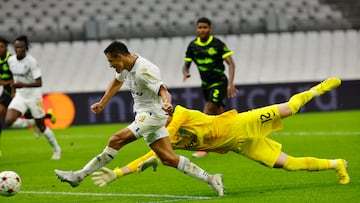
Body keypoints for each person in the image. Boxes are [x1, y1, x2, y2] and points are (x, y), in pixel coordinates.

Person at [90, 77, 350, 190]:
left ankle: (320, 88)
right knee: (288, 165)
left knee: (290, 108)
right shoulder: (169, 138)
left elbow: (159, 145)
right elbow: (152, 156)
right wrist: (117, 173)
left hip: (242, 124)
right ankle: (337, 164)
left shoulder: (179, 114)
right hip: (239, 145)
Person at [54, 41, 225, 196]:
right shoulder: (126, 67)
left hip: (152, 115)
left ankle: (79, 175)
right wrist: (102, 102)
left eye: (110, 61)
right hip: (146, 115)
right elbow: (116, 82)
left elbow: (164, 91)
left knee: (116, 140)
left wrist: (166, 103)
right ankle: (211, 179)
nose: (110, 65)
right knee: (168, 158)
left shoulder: (144, 70)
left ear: (120, 57)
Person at [182, 17, 238, 158]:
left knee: (207, 111)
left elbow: (231, 63)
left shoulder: (217, 44)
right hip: (205, 85)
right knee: (219, 113)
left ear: (210, 28)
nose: (202, 30)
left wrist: (231, 84)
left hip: (219, 82)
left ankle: (204, 148)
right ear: (197, 29)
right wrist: (186, 72)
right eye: (200, 27)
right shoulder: (193, 46)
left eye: (205, 27)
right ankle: (233, 137)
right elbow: (186, 64)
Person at [5, 35, 61, 160]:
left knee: (42, 127)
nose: (19, 49)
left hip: (34, 97)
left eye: (21, 47)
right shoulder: (11, 60)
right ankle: (31, 122)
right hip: (20, 95)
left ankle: (57, 149)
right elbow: (14, 78)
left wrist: (21, 85)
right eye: (17, 47)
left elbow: (39, 82)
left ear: (26, 48)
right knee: (9, 121)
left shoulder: (32, 62)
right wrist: (14, 90)